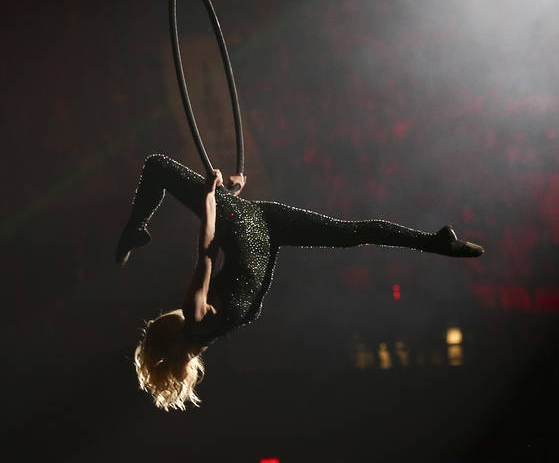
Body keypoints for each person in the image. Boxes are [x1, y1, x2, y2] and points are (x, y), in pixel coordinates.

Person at [118, 153, 483, 410]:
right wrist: (214, 200)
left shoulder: (211, 327)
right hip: (256, 228)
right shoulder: (196, 319)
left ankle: (436, 243)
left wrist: (226, 200)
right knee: (157, 166)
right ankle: (133, 230)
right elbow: (207, 253)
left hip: (253, 226)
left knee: (349, 234)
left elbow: (231, 260)